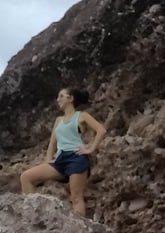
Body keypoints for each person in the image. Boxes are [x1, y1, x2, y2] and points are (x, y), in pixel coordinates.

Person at [20, 87, 106, 217]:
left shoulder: (82, 116)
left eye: (61, 96)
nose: (58, 99)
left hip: (76, 158)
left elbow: (101, 130)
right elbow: (52, 143)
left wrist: (90, 148)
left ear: (70, 99)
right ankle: (33, 216)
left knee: (76, 198)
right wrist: (48, 160)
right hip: (60, 160)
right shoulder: (58, 121)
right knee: (26, 177)